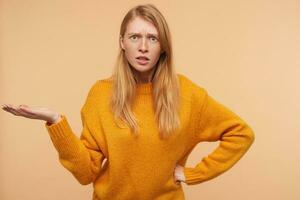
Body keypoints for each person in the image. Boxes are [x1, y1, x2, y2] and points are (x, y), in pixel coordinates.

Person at [1, 4, 255, 200]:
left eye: (152, 38)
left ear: (163, 46)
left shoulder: (186, 94)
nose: (143, 46)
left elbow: (240, 133)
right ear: (122, 42)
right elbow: (86, 172)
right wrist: (55, 121)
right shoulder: (101, 95)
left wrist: (193, 174)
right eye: (135, 37)